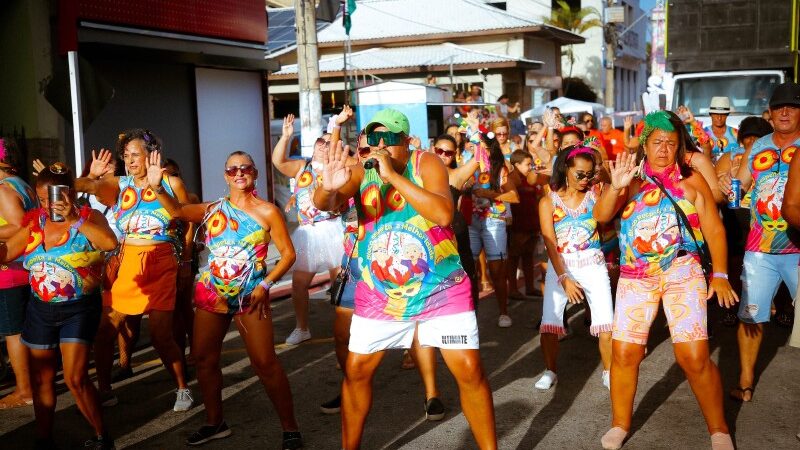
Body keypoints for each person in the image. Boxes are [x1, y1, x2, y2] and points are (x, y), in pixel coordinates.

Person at [313, 108, 497, 450]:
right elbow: (327, 202)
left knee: (470, 370)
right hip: (381, 294)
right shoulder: (361, 169)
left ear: (407, 141)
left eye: (390, 139)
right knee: (357, 373)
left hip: (440, 290)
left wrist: (394, 177)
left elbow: (444, 213)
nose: (380, 146)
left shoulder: (426, 163)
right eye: (373, 140)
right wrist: (327, 188)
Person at [594, 110, 737, 450]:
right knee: (625, 353)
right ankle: (619, 424)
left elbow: (714, 229)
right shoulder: (628, 180)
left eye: (671, 143)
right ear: (644, 143)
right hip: (635, 277)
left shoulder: (692, 182)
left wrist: (720, 274)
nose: (663, 149)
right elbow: (601, 217)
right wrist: (615, 189)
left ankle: (719, 430)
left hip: (682, 273)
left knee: (693, 357)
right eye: (657, 142)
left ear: (679, 147)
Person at [152, 149, 302, 448]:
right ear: (225, 176)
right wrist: (157, 188)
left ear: (255, 173)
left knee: (265, 362)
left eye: (245, 168)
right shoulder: (213, 209)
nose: (239, 173)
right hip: (212, 292)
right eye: (232, 170)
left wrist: (267, 285)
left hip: (251, 294)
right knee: (205, 360)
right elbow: (179, 212)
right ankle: (214, 422)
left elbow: (288, 254)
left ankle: (290, 429)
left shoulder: (268, 211)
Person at [320, 130, 451, 422]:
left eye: (377, 149)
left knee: (418, 333)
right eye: (365, 151)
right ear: (358, 152)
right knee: (343, 336)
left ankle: (432, 394)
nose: (372, 155)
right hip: (355, 266)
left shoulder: (397, 175)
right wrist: (329, 189)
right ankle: (349, 388)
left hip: (396, 267)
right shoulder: (350, 175)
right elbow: (325, 202)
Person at [76, 129, 193, 411]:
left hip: (161, 258)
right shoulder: (120, 183)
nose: (129, 161)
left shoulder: (171, 181)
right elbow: (79, 188)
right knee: (105, 330)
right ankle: (105, 390)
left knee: (160, 335)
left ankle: (182, 388)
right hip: (127, 261)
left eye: (135, 155)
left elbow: (185, 218)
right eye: (126, 155)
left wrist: (186, 262)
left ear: (152, 155)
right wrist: (92, 176)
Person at [8, 163, 118, 449]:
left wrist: (74, 220)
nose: (47, 205)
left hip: (79, 309)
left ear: (69, 193)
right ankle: (44, 439)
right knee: (42, 378)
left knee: (75, 377)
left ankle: (102, 436)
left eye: (53, 197)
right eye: (41, 199)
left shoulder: (88, 217)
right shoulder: (35, 223)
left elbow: (109, 243)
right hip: (40, 310)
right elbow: (8, 251)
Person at [718, 82, 800, 403]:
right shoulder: (759, 145)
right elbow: (741, 187)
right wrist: (729, 183)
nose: (784, 112)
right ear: (770, 111)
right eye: (779, 106)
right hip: (759, 249)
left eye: (792, 107)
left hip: (798, 249)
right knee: (750, 317)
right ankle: (746, 382)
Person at [536, 147, 614, 390]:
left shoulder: (595, 196)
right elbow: (550, 241)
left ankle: (609, 372)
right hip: (561, 265)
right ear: (565, 170)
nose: (585, 180)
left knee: (606, 322)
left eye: (590, 175)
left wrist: (607, 179)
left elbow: (607, 216)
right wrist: (564, 278)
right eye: (580, 174)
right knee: (550, 322)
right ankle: (550, 371)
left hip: (593, 263)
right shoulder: (548, 201)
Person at [272, 114, 344, 345]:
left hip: (332, 229)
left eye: (328, 142)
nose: (323, 145)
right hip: (307, 232)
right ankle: (302, 328)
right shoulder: (303, 166)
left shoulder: (336, 168)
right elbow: (278, 162)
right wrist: (285, 137)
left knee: (339, 284)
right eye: (320, 142)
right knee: (299, 285)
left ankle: (345, 330)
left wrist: (338, 127)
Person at [715, 117, 773, 327]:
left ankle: (781, 306)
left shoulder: (775, 156)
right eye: (747, 137)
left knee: (771, 261)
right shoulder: (729, 157)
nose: (751, 142)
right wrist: (724, 180)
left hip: (765, 218)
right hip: (736, 215)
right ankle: (731, 305)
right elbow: (717, 191)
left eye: (756, 137)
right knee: (735, 261)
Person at [0, 138, 37, 410]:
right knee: (26, 330)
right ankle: (32, 384)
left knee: (13, 333)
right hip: (26, 268)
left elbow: (18, 225)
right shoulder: (22, 184)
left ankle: (24, 390)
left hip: (9, 270)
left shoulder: (3, 189)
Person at [468, 133, 519, 327]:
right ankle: (471, 315)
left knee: (497, 270)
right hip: (471, 221)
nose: (477, 150)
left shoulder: (500, 169)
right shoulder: (468, 166)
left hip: (494, 220)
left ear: (490, 149)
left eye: (481, 147)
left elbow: (514, 196)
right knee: (470, 271)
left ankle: (503, 312)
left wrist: (489, 194)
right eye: (474, 146)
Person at [506, 150, 545, 299]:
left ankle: (529, 287)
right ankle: (513, 289)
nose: (530, 167)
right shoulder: (511, 180)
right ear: (516, 165)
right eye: (527, 164)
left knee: (529, 256)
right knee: (514, 257)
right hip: (517, 225)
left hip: (532, 223)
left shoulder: (531, 179)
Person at [704, 97, 740, 161]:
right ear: (710, 114)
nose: (719, 118)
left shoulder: (737, 133)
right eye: (716, 114)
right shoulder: (702, 133)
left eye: (723, 114)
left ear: (727, 115)